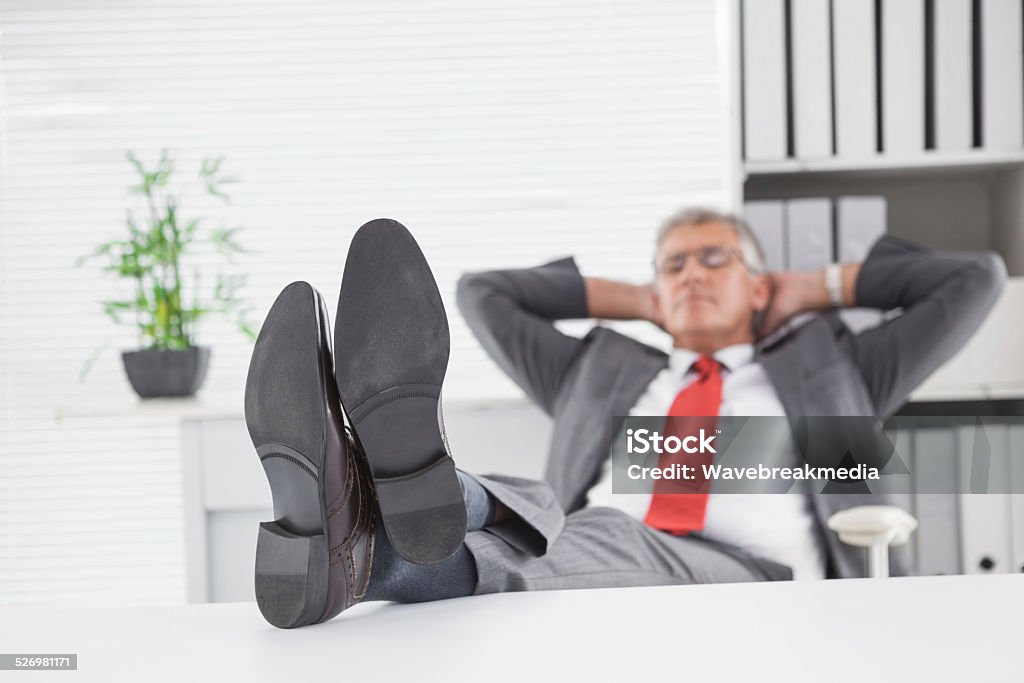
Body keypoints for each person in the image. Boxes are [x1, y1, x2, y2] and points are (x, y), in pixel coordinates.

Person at [244, 212, 1005, 629]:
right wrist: (642, 301)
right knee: (545, 513)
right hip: (586, 533)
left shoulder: (833, 369)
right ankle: (365, 556)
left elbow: (976, 280)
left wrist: (809, 287)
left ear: (761, 285)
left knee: (595, 525)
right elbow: (484, 293)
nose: (692, 274)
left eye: (715, 259)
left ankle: (375, 513)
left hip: (757, 576)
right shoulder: (604, 371)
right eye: (673, 265)